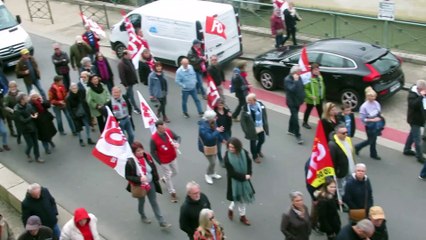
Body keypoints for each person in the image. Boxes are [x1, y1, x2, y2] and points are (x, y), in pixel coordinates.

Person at [125, 141, 171, 228]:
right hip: (139, 186)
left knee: (154, 202)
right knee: (141, 202)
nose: (141, 152)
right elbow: (128, 176)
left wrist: (156, 178)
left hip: (150, 183)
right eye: (138, 151)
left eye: (141, 149)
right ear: (134, 152)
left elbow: (152, 167)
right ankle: (142, 215)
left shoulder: (147, 156)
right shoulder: (130, 162)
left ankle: (161, 221)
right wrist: (139, 179)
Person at [224, 137, 255, 226]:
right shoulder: (227, 157)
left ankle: (232, 210)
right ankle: (242, 216)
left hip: (245, 178)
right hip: (235, 181)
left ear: (238, 147)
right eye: (229, 147)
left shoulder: (243, 152)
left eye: (233, 147)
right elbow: (231, 173)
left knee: (239, 198)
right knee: (241, 199)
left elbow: (249, 162)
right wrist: (244, 177)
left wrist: (250, 173)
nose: (231, 149)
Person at [150, 120, 181, 203]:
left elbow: (178, 137)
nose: (164, 129)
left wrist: (177, 143)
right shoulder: (153, 139)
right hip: (164, 161)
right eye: (162, 128)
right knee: (168, 176)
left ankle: (164, 179)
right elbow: (152, 151)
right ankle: (172, 192)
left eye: (164, 126)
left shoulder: (168, 131)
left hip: (173, 157)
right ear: (157, 128)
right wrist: (159, 161)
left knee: (175, 172)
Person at [13, 93, 43, 163]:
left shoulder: (28, 105)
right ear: (22, 100)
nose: (28, 98)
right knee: (30, 144)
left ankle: (37, 157)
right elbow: (22, 121)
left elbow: (33, 112)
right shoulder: (17, 110)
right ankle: (27, 153)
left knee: (36, 143)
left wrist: (35, 114)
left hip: (33, 127)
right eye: (26, 97)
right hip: (25, 130)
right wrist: (31, 117)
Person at [355, 87, 383, 160]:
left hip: (376, 125)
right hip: (370, 125)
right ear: (367, 97)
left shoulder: (376, 103)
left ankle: (373, 153)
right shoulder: (364, 106)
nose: (373, 98)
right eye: (371, 96)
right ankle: (357, 147)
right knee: (371, 140)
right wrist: (373, 120)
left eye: (374, 96)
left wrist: (379, 118)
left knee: (373, 140)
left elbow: (379, 112)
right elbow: (363, 119)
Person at [240, 93, 269, 164]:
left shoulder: (260, 104)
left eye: (250, 100)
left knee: (262, 140)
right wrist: (246, 131)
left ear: (255, 100)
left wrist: (265, 123)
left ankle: (258, 150)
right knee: (253, 142)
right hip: (252, 129)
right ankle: (255, 156)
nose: (248, 102)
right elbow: (242, 121)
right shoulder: (245, 108)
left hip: (260, 126)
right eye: (248, 100)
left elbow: (264, 114)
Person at [328, 124, 355, 197]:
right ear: (337, 133)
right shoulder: (332, 144)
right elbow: (332, 160)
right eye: (343, 133)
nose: (346, 134)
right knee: (340, 187)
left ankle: (347, 197)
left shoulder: (348, 139)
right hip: (341, 172)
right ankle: (341, 200)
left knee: (349, 184)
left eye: (347, 132)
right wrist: (335, 172)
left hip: (350, 167)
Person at [403, 79, 426, 163]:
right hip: (414, 119)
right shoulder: (412, 95)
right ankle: (420, 157)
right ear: (419, 89)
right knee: (417, 139)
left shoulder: (421, 92)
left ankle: (407, 149)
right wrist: (421, 96)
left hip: (419, 119)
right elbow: (413, 105)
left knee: (412, 134)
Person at [198, 110, 223, 184]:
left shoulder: (213, 122)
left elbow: (216, 131)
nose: (216, 118)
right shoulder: (202, 127)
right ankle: (208, 174)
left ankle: (212, 173)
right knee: (212, 162)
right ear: (210, 118)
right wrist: (217, 131)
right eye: (215, 117)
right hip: (206, 147)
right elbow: (208, 138)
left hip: (213, 145)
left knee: (214, 160)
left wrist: (222, 140)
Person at [66, 83, 95, 147]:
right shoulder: (68, 98)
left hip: (84, 112)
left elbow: (85, 101)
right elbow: (69, 109)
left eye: (76, 88)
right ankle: (81, 140)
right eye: (73, 88)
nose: (75, 89)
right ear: (70, 89)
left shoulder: (81, 93)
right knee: (78, 128)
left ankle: (88, 138)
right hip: (76, 115)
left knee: (87, 125)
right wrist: (73, 116)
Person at [29, 90, 57, 155]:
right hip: (39, 123)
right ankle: (46, 148)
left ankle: (50, 141)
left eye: (36, 96)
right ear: (31, 98)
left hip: (47, 121)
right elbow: (33, 113)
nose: (35, 98)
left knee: (49, 133)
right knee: (43, 137)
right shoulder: (31, 105)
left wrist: (43, 101)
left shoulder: (41, 101)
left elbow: (48, 105)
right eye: (33, 97)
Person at [284, 65, 305, 144]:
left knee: (293, 116)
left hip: (298, 101)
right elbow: (292, 89)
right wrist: (296, 81)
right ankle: (298, 135)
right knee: (296, 118)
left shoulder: (299, 77)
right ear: (295, 72)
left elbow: (301, 87)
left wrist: (303, 97)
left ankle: (290, 130)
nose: (300, 72)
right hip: (291, 102)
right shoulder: (287, 79)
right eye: (299, 71)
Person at [118, 50, 141, 114]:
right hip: (128, 83)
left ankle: (122, 100)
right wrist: (125, 85)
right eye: (129, 54)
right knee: (131, 95)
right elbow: (122, 75)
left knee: (128, 94)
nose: (130, 55)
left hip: (131, 81)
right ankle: (135, 108)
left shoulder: (129, 60)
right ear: (125, 55)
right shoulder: (121, 64)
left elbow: (132, 69)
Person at [302, 63, 325, 129]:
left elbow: (322, 86)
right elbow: (306, 89)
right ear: (311, 70)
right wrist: (310, 96)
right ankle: (305, 122)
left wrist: (323, 95)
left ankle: (323, 123)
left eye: (318, 69)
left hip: (319, 98)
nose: (317, 71)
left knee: (321, 111)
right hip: (311, 99)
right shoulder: (309, 79)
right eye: (315, 70)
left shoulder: (320, 77)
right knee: (308, 110)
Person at [214, 99, 232, 167]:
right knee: (218, 148)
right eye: (219, 104)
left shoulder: (226, 112)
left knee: (229, 145)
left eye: (221, 104)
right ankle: (221, 160)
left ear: (223, 105)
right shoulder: (214, 113)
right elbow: (213, 125)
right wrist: (214, 121)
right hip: (218, 133)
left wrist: (230, 117)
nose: (220, 106)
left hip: (226, 131)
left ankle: (227, 158)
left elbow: (230, 124)